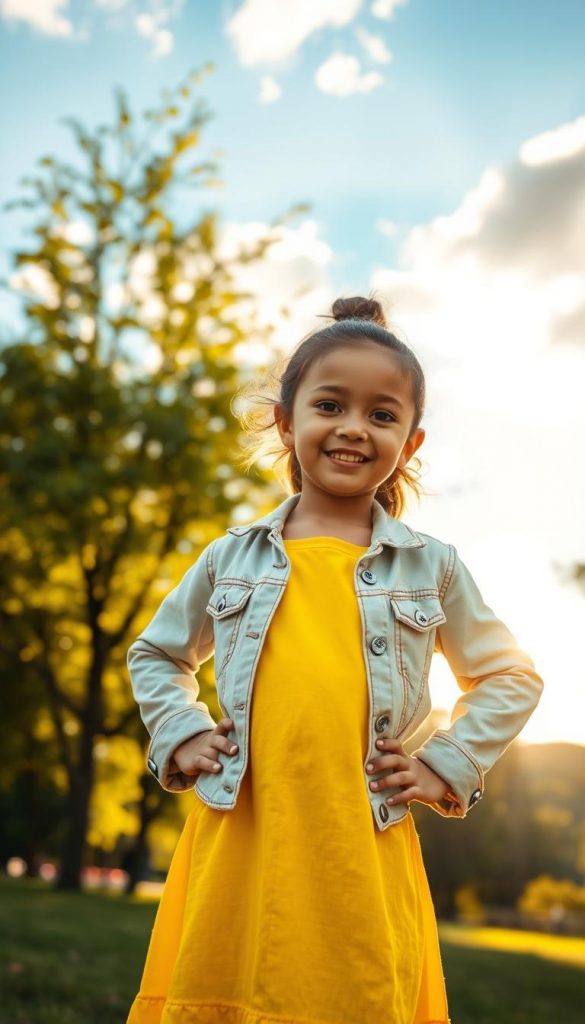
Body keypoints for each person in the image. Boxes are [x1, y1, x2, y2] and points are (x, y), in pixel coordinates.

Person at [126, 295, 544, 1024]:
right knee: (227, 987)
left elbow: (510, 676)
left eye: (382, 415)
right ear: (288, 422)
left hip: (359, 836)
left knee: (350, 993)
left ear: (409, 442)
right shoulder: (232, 557)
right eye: (330, 405)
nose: (354, 428)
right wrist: (183, 731)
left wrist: (443, 763)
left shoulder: (432, 567)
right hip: (244, 828)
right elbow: (157, 652)